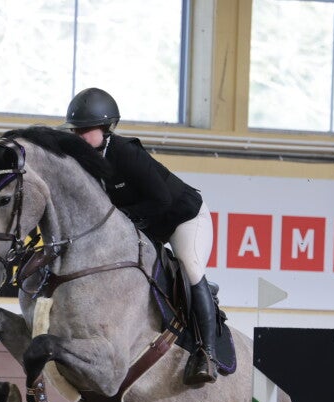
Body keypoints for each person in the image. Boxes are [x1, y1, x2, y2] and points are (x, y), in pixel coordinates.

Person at [65, 87, 220, 385]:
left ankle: (207, 354)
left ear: (107, 128)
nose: (80, 136)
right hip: (147, 225)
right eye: (76, 130)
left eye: (86, 130)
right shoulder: (84, 161)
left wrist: (122, 220)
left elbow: (161, 200)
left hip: (183, 217)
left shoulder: (126, 153)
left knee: (191, 268)